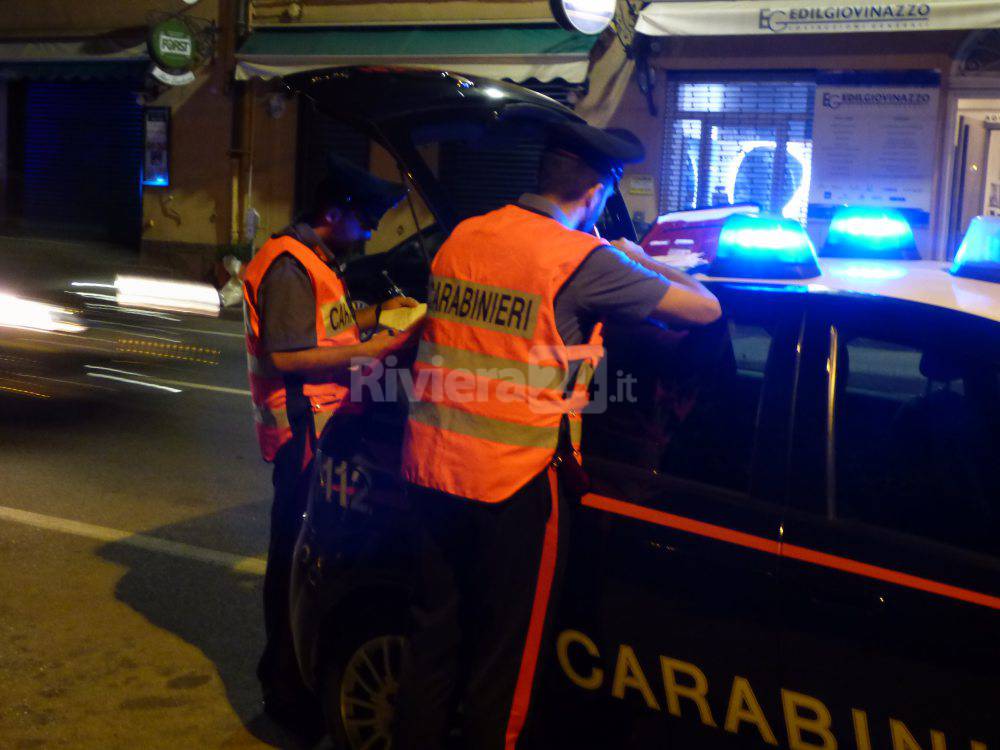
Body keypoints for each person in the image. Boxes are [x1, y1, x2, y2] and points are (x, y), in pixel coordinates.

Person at [393, 122, 722, 749]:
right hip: (512, 483)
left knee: (432, 639)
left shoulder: (465, 235)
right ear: (596, 193)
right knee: (504, 664)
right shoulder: (579, 258)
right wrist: (640, 257)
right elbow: (705, 309)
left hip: (430, 470)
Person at [242, 154, 418, 732]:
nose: (370, 231)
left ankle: (293, 684)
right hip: (302, 434)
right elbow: (287, 354)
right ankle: (286, 693)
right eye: (364, 218)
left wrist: (376, 317)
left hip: (321, 427)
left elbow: (326, 327)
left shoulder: (319, 259)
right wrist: (367, 351)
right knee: (293, 561)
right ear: (333, 212)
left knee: (305, 558)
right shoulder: (290, 265)